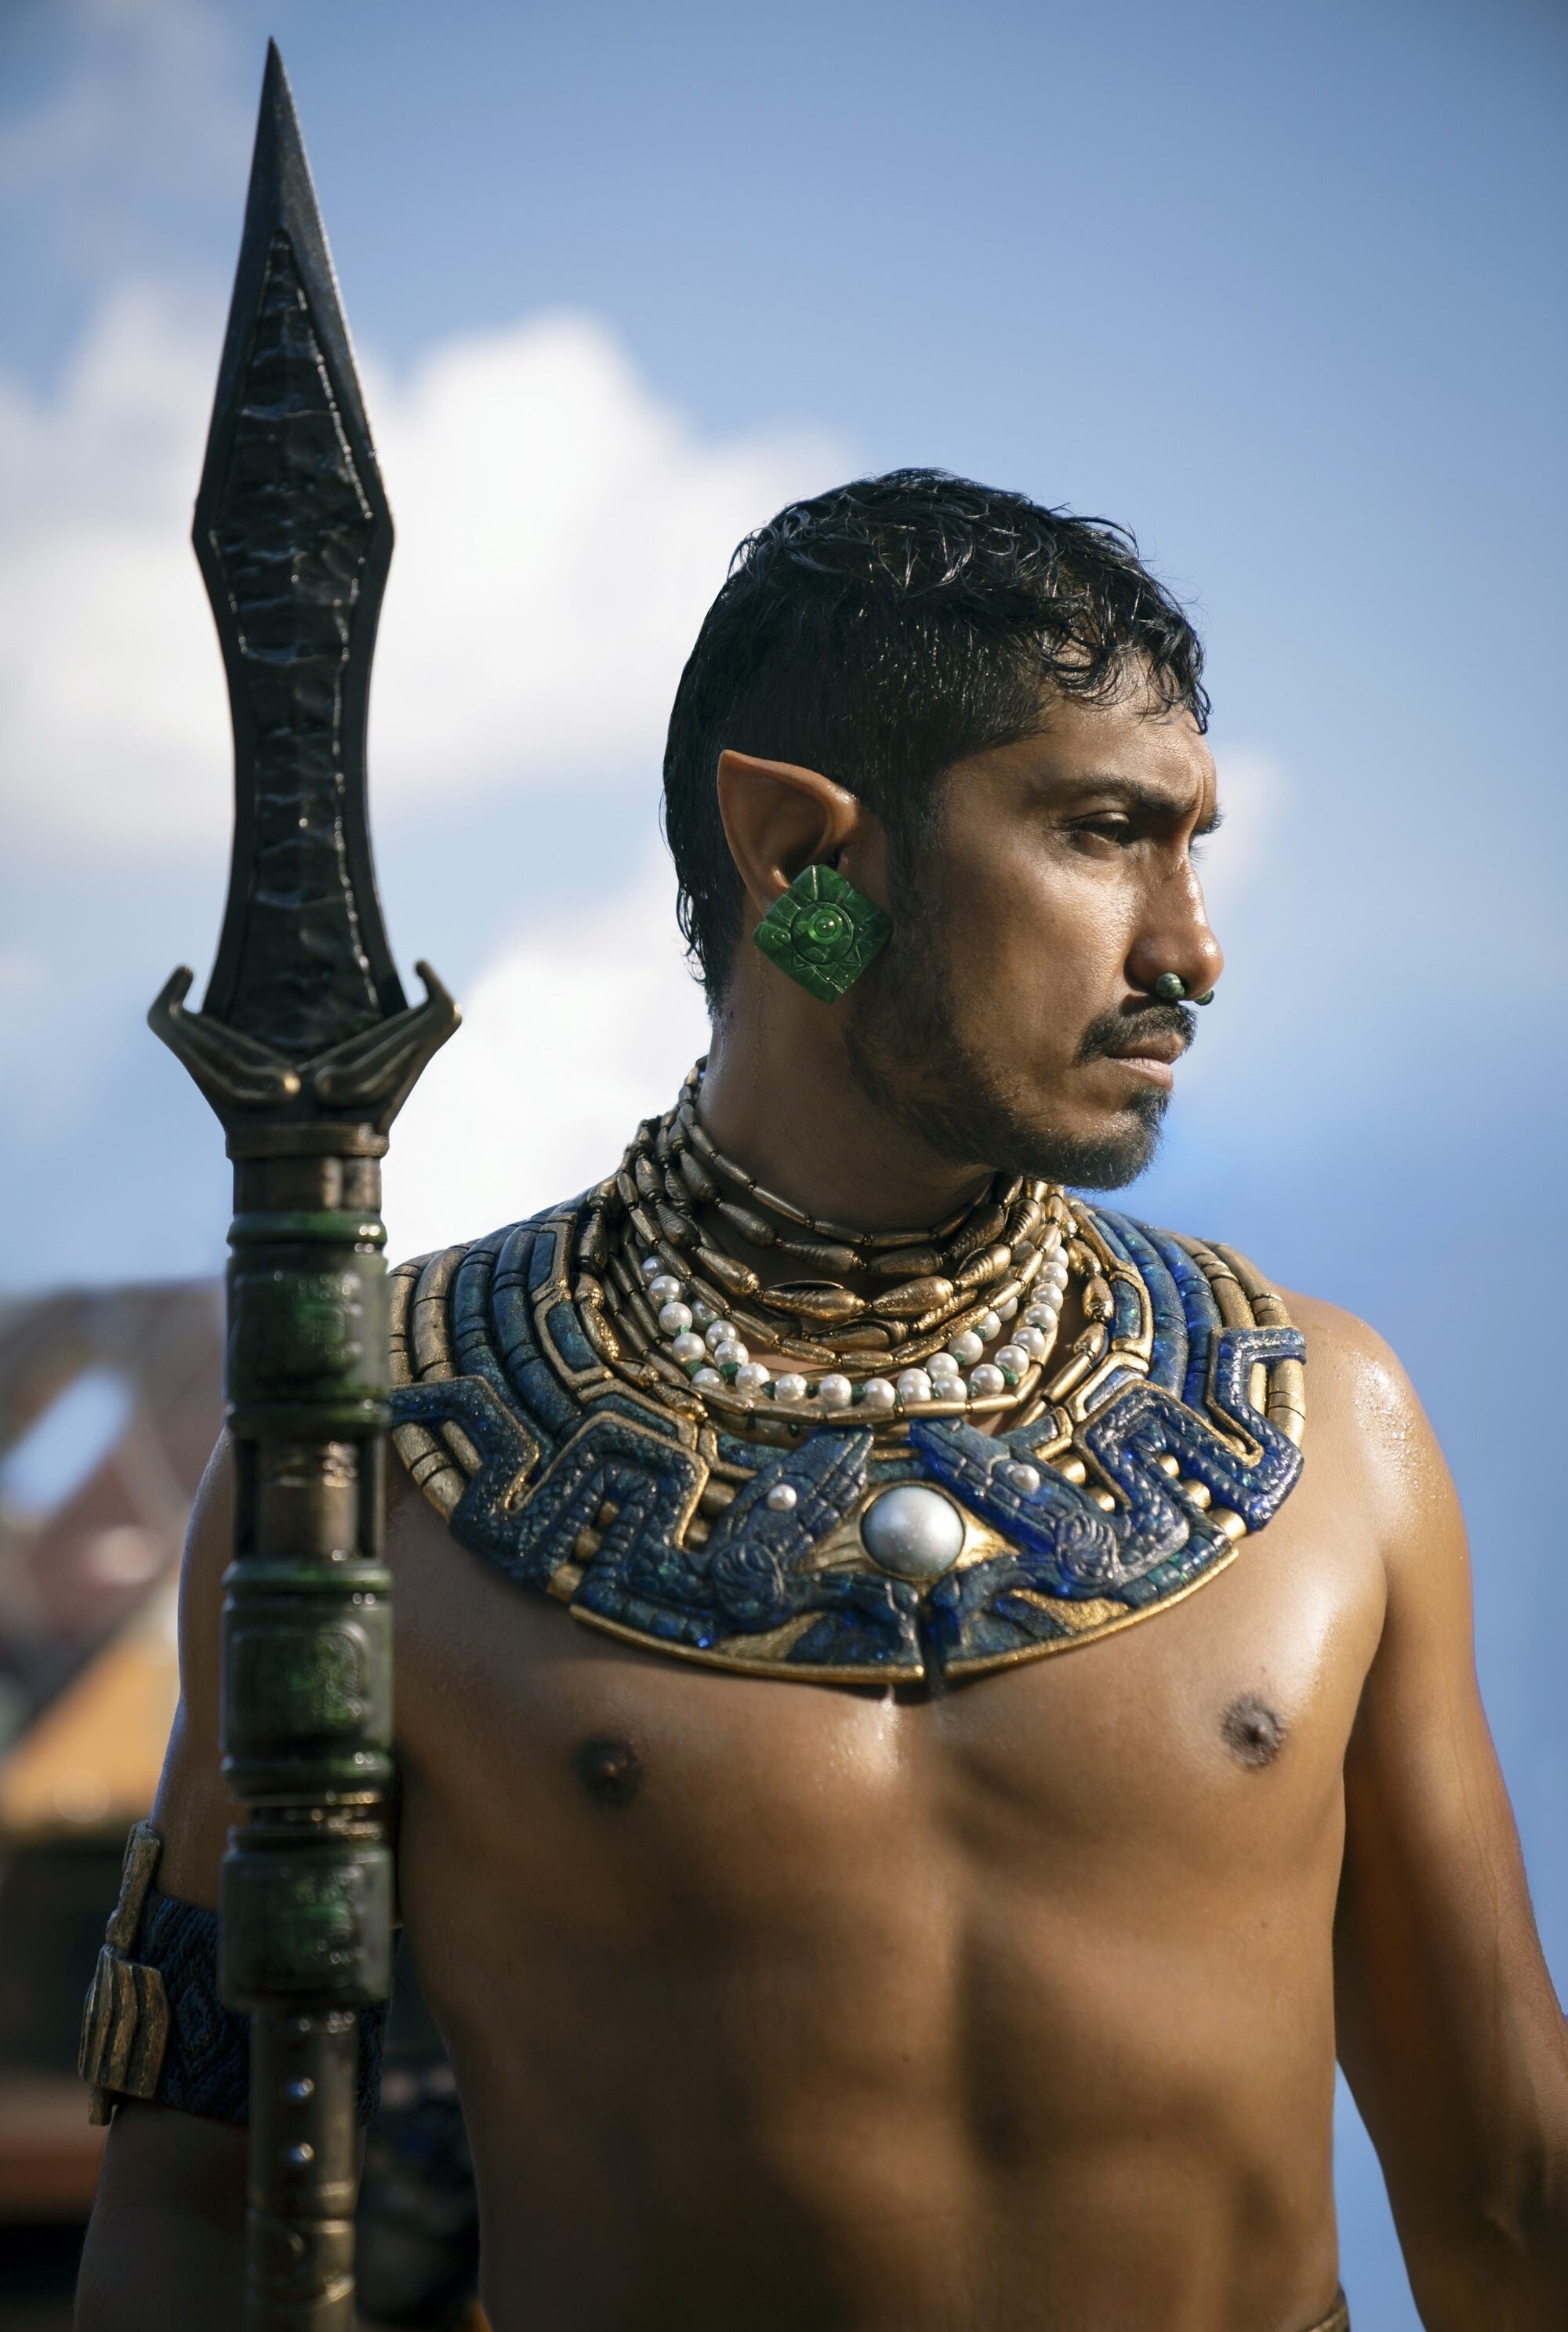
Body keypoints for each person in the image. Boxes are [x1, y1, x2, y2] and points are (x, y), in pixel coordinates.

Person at [77, 472, 1568, 2331]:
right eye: (1108, 833)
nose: (1189, 947)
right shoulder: (371, 1449)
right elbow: (195, 2210)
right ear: (798, 862)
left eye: (1194, 845)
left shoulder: (1330, 1426)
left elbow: (1509, 2199)